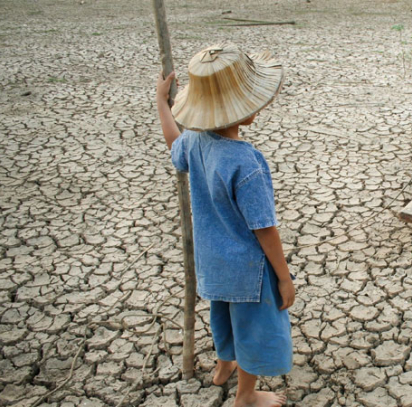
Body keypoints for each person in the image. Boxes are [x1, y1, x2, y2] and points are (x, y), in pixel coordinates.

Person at [155, 42, 294, 407]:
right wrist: (283, 276)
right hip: (248, 269)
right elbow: (264, 228)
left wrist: (162, 104)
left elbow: (175, 145)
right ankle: (246, 396)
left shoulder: (196, 142)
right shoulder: (246, 162)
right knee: (252, 329)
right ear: (245, 108)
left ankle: (222, 368)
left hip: (212, 263)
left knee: (224, 319)